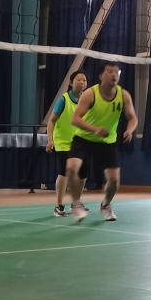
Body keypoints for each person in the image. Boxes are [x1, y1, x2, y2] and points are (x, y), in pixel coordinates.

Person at [67, 62, 136, 223]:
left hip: (107, 141)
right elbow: (75, 119)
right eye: (109, 71)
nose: (114, 75)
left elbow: (132, 118)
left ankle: (106, 205)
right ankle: (76, 204)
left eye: (117, 72)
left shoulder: (123, 95)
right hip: (84, 138)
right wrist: (95, 129)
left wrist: (130, 130)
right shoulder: (90, 94)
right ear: (101, 76)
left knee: (114, 180)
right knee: (71, 168)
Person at [47, 70, 88, 216]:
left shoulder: (87, 100)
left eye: (84, 80)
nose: (82, 82)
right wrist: (50, 140)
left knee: (83, 173)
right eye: (79, 80)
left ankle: (75, 203)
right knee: (64, 172)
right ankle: (59, 206)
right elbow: (51, 121)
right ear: (71, 82)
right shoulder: (63, 100)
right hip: (63, 141)